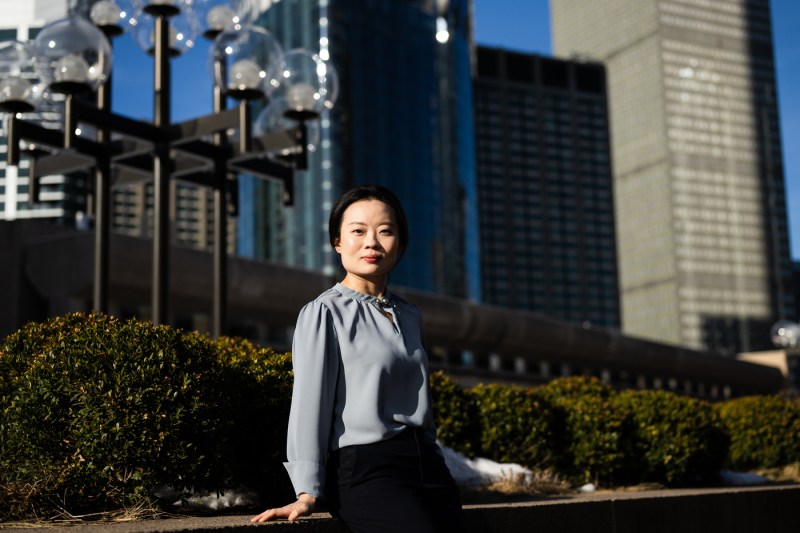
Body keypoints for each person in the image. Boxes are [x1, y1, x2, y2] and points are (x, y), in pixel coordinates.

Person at [251, 185, 464, 532]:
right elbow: (310, 402)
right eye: (358, 231)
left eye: (385, 231)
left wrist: (434, 454)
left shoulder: (410, 314)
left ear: (400, 242)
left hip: (427, 467)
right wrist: (307, 491)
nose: (372, 242)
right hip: (368, 468)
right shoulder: (324, 312)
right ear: (337, 242)